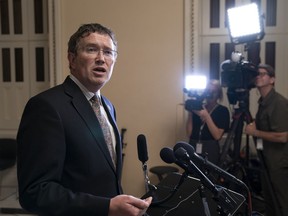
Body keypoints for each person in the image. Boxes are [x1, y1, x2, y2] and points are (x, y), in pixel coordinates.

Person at [17, 23, 152, 216]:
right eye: (91, 50)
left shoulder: (108, 106)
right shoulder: (46, 107)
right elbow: (35, 192)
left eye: (108, 52)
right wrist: (106, 207)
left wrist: (121, 205)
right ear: (72, 59)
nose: (101, 59)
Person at [245, 64, 288, 216]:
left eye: (263, 74)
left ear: (272, 79)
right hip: (266, 160)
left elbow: (283, 136)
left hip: (278, 162)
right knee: (270, 202)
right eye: (257, 74)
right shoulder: (263, 103)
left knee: (282, 202)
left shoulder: (278, 102)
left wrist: (255, 131)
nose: (259, 76)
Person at [185, 79, 230, 165]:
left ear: (219, 94)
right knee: (192, 175)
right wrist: (191, 113)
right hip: (193, 145)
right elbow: (189, 134)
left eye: (214, 91)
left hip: (210, 148)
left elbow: (217, 136)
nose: (210, 94)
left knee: (209, 176)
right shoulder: (199, 107)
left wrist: (206, 116)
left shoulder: (223, 111)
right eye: (208, 91)